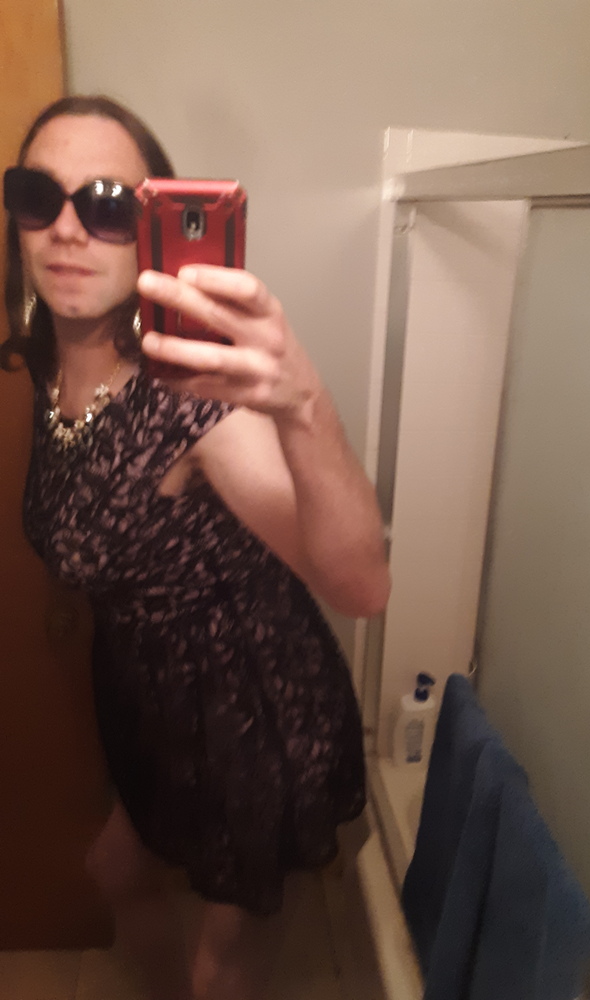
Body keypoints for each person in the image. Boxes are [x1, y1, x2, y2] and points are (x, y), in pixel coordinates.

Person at [1, 94, 390, 1000]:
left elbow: (361, 585)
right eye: (37, 197)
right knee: (116, 872)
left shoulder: (193, 398)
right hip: (147, 701)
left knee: (227, 968)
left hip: (250, 706)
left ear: (153, 229)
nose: (68, 229)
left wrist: (302, 402)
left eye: (106, 204)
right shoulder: (46, 362)